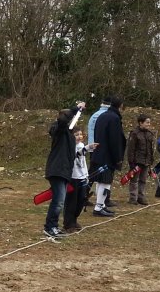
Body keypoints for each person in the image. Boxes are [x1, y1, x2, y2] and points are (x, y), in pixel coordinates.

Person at [43, 104, 84, 238]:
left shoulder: (68, 134)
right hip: (57, 170)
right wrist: (75, 109)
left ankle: (53, 226)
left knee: (59, 200)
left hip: (65, 171)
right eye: (69, 117)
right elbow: (62, 121)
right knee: (58, 201)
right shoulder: (58, 130)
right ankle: (50, 227)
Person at [90, 95, 126, 217]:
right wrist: (118, 158)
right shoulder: (114, 118)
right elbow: (115, 140)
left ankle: (101, 205)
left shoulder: (102, 115)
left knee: (101, 181)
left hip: (99, 152)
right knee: (105, 182)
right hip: (107, 155)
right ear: (120, 106)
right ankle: (99, 206)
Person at [64, 127, 97, 233]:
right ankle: (68, 223)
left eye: (80, 134)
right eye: (76, 135)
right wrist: (88, 147)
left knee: (81, 200)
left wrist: (86, 175)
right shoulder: (70, 147)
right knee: (71, 202)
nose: (79, 137)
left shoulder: (82, 145)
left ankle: (74, 220)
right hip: (73, 177)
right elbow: (77, 154)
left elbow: (83, 161)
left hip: (82, 176)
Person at [125, 113, 156, 205]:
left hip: (146, 161)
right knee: (134, 180)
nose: (149, 124)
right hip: (136, 161)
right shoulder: (134, 133)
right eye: (147, 122)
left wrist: (150, 160)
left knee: (143, 180)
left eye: (149, 122)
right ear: (141, 123)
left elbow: (150, 148)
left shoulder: (150, 134)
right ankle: (133, 198)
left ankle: (141, 197)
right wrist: (131, 162)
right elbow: (131, 149)